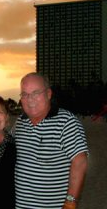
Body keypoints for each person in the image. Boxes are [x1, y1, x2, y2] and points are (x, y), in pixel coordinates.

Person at [15, 72, 88, 209]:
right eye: (25, 94)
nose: (30, 99)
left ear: (48, 94)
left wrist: (71, 202)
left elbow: (80, 161)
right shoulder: (20, 122)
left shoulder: (66, 121)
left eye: (36, 93)